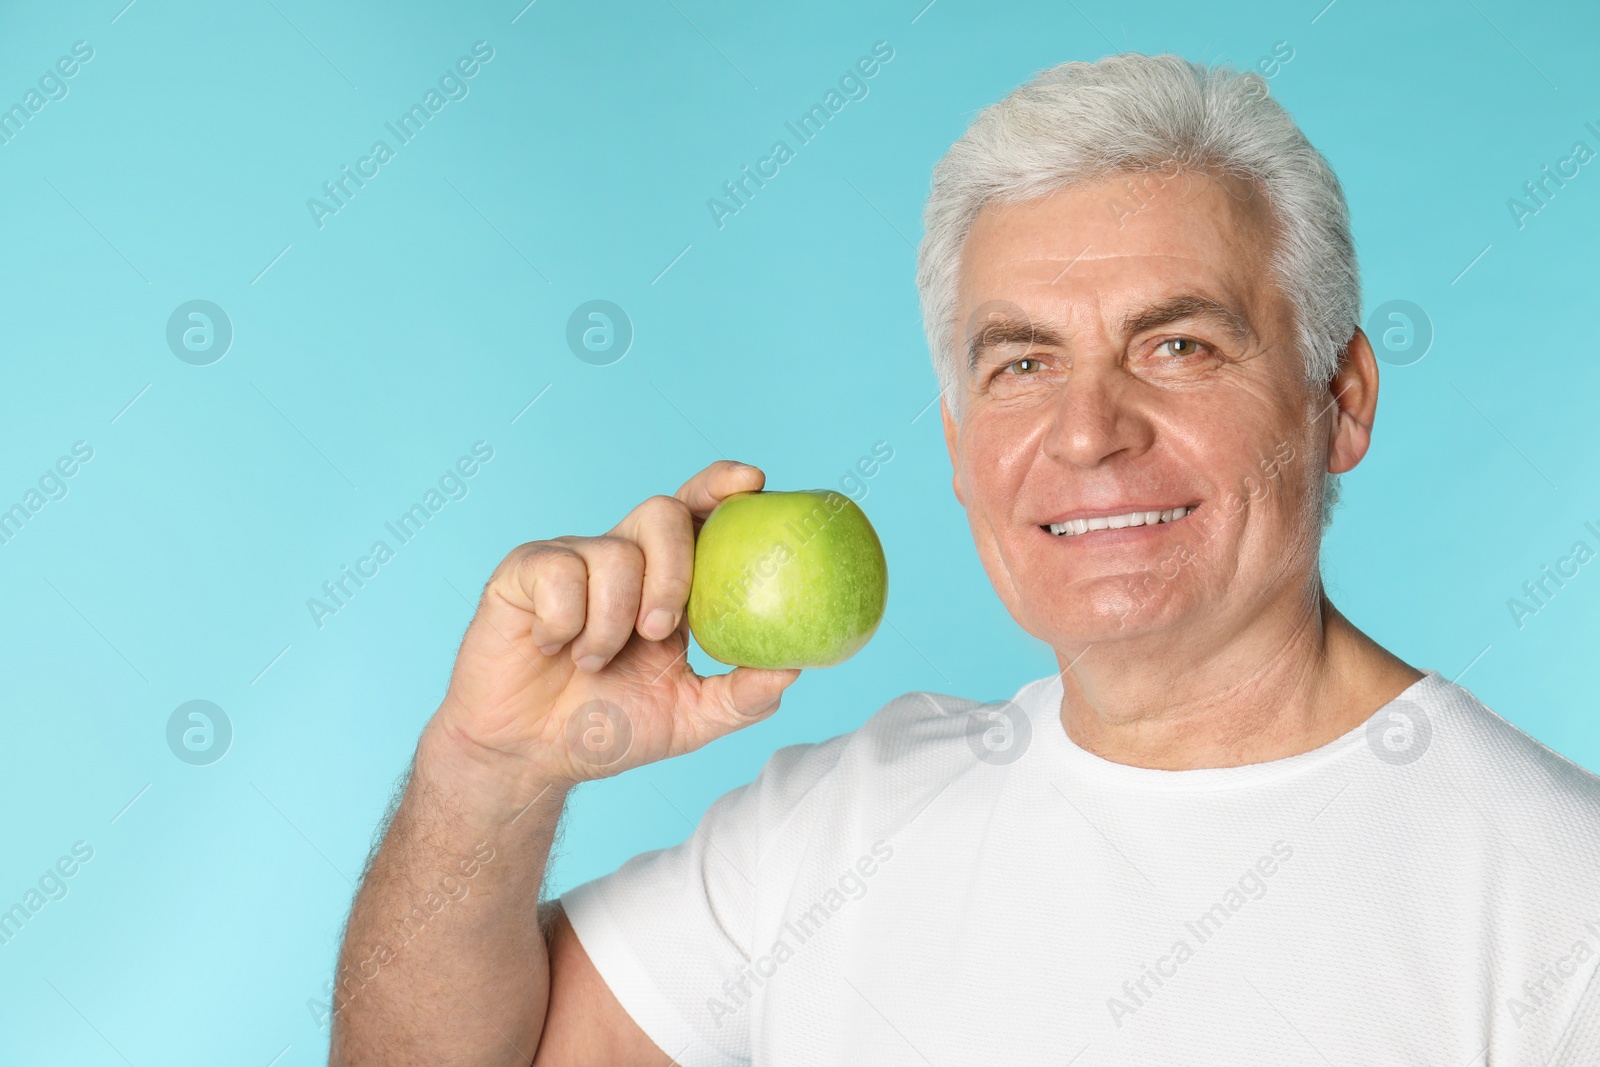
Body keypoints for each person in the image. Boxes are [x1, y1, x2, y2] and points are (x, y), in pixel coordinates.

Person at [328, 53, 1600, 1065]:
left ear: (1340, 398)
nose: (1090, 431)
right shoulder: (833, 828)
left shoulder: (1560, 899)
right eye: (1023, 363)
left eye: (1179, 346)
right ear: (956, 442)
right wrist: (490, 770)